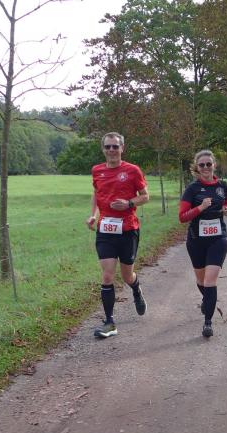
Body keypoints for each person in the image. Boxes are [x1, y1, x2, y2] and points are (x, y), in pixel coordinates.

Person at [86, 132, 149, 338]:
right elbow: (97, 194)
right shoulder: (97, 170)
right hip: (105, 230)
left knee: (127, 275)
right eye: (108, 146)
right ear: (103, 149)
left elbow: (145, 197)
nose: (111, 150)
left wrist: (129, 203)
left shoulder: (132, 170)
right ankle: (110, 322)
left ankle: (136, 290)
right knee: (107, 275)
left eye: (115, 146)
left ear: (122, 148)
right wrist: (93, 215)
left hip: (128, 229)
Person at [178, 149, 227, 338]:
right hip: (196, 240)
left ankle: (207, 322)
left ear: (214, 165)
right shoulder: (192, 189)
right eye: (201, 165)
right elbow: (182, 217)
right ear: (197, 167)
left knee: (210, 280)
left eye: (208, 164)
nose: (205, 167)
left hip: (218, 238)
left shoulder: (222, 186)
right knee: (201, 281)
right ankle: (207, 300)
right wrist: (200, 208)